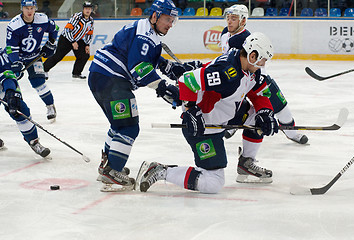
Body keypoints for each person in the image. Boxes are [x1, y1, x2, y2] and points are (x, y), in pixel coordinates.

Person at [136, 32, 279, 194]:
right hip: (203, 125)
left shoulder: (250, 69)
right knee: (213, 182)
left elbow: (259, 92)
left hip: (226, 111)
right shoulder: (226, 73)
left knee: (257, 117)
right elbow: (186, 80)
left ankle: (246, 162)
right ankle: (160, 170)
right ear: (253, 56)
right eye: (263, 59)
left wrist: (266, 112)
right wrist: (190, 110)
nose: (264, 63)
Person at [88, 0, 185, 192]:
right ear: (155, 16)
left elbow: (146, 57)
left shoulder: (146, 30)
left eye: (173, 20)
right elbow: (138, 67)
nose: (170, 24)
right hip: (113, 79)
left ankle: (108, 164)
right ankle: (112, 170)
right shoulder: (145, 36)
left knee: (118, 125)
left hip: (101, 75)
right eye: (167, 19)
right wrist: (163, 86)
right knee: (129, 126)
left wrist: (168, 68)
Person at [220, 4, 308, 144]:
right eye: (228, 18)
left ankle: (292, 132)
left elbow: (259, 64)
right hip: (238, 79)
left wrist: (260, 81)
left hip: (257, 79)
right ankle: (233, 122)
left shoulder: (248, 39)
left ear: (243, 21)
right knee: (233, 102)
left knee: (281, 108)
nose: (229, 21)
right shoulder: (225, 33)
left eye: (234, 18)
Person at [6, 0, 58, 122]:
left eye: (31, 8)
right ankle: (17, 107)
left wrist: (51, 43)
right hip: (17, 57)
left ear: (35, 8)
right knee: (8, 82)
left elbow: (54, 29)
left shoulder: (43, 19)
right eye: (26, 8)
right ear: (22, 9)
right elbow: (10, 48)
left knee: (39, 83)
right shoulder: (14, 25)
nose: (29, 11)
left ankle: (50, 106)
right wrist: (15, 62)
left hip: (34, 56)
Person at [0, 47, 50, 157]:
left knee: (19, 109)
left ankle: (34, 141)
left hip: (2, 86)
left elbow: (8, 75)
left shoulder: (3, 56)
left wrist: (11, 93)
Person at [43, 1, 94, 80]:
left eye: (89, 9)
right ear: (83, 9)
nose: (88, 10)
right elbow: (67, 30)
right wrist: (73, 41)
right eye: (86, 8)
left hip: (78, 40)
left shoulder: (91, 20)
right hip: (66, 39)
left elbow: (89, 33)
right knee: (58, 56)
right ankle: (44, 69)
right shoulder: (76, 17)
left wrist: (87, 44)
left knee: (84, 55)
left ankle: (76, 73)